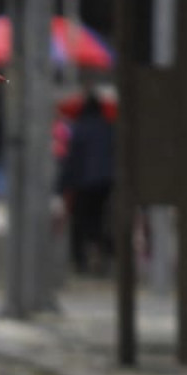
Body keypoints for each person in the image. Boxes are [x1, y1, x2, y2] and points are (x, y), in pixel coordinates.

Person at [57, 86, 116, 274]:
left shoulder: (80, 129)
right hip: (107, 182)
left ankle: (81, 260)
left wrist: (63, 184)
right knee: (99, 219)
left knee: (82, 221)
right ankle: (105, 250)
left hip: (85, 183)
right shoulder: (108, 128)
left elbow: (74, 160)